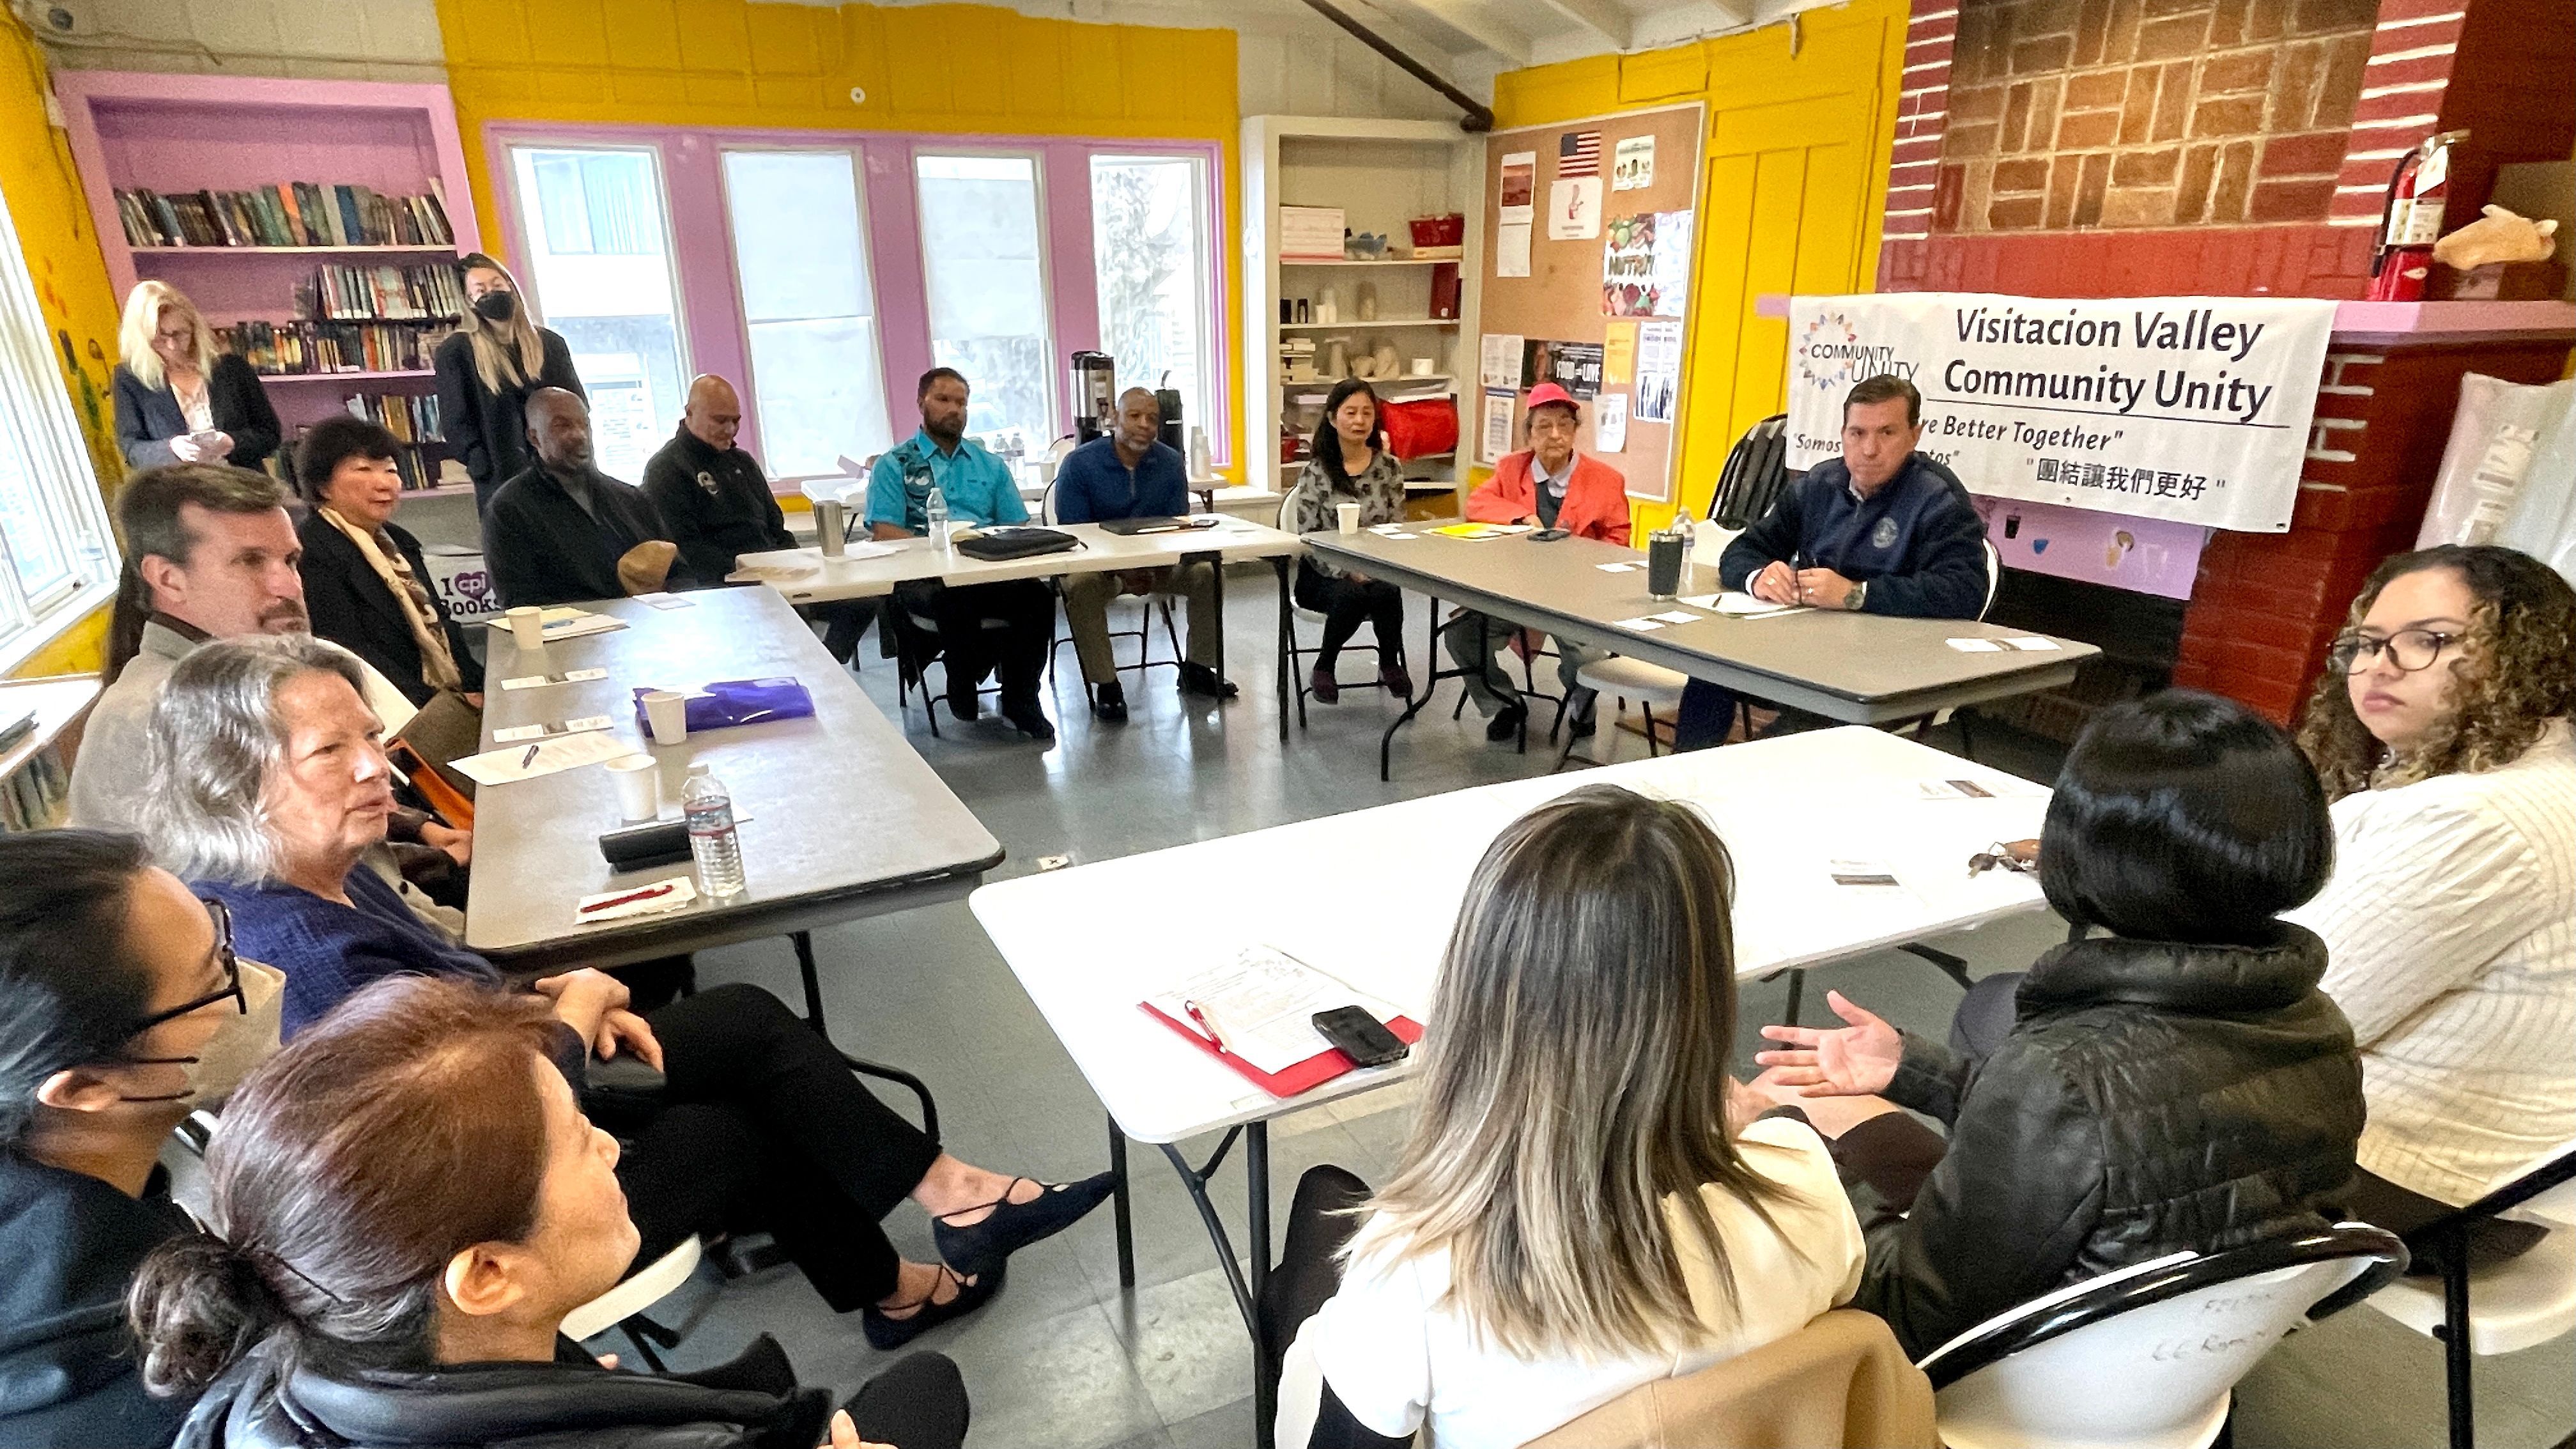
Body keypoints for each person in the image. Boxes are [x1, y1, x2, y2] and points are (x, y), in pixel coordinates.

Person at [136, 636, 1113, 1349]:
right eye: (329, 752)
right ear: (234, 783)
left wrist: (539, 989)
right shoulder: (295, 948)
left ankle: (942, 1219)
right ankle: (923, 1248)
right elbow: (456, 1128)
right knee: (736, 1117)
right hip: (478, 1211)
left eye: (368, 737)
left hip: (513, 1072)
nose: (376, 768)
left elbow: (444, 997)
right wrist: (569, 1007)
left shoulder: (315, 866)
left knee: (741, 1024)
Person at [1753, 690, 2364, 1360]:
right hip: (2184, 1366)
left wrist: (1789, 1163)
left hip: (2025, 1380)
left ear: (2080, 851)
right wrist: (1918, 1069)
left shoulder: (2059, 1071)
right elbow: (2119, 1140)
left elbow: (1910, 1314)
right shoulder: (2319, 1024)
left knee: (1777, 1124)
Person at [128, 974, 974, 1449]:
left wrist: (554, 1393)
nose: (611, 1146)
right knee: (928, 1387)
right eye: (580, 1138)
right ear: (489, 1272)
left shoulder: (284, 1372)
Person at [1269, 786, 1864, 1448]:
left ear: (1479, 999)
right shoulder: (1805, 1181)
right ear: (1705, 995)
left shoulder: (1416, 1270)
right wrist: (1743, 1134)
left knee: (1313, 1228)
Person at [2288, 544, 2576, 1266]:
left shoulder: (2479, 817)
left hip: (2410, 1182)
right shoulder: (2531, 770)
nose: (2380, 664)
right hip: (2488, 1172)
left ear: (2521, 655)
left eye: (2429, 640)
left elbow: (2288, 1014)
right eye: (2368, 642)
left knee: (2034, 1051)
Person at [0, 830, 279, 1448]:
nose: (249, 981)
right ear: (85, 1087)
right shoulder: (171, 1376)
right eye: (214, 980)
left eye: (222, 940)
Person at [70, 465, 464, 888]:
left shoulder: (244, 681)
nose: (289, 586)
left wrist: (420, 830)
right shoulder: (168, 716)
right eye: (251, 561)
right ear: (169, 579)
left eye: (291, 561)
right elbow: (282, 907)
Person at [1673, 374, 1988, 748]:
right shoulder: (1820, 484)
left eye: (1886, 433)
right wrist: (1758, 577)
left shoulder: (1937, 497)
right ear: (1843, 434)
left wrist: (1857, 594)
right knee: (1712, 667)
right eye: (1857, 433)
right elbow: (1742, 551)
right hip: (1809, 647)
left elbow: (1965, 591)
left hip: (1887, 666)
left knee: (1782, 742)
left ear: (1914, 436)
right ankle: (1675, 785)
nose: (1869, 449)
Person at [867, 368, 1055, 741]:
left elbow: (1015, 527)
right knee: (954, 599)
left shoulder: (990, 464)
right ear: (921, 402)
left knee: (1038, 597)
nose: (954, 409)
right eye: (944, 400)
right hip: (926, 577)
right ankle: (962, 681)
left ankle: (1022, 700)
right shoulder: (896, 464)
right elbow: (885, 531)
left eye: (962, 402)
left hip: (986, 568)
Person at [1438, 382, 1626, 743]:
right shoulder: (1512, 468)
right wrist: (1522, 517)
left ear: (1575, 432)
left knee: (1586, 654)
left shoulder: (1606, 480)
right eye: (1544, 426)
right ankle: (1504, 703)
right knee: (1461, 637)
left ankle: (1581, 702)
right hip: (1514, 591)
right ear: (1529, 434)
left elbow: (1619, 542)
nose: (1555, 435)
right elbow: (1477, 505)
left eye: (1564, 425)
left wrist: (1583, 567)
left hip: (1575, 597)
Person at [642, 374, 874, 665]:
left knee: (863, 595)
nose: (730, 430)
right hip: (722, 585)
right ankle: (806, 664)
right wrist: (754, 572)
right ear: (689, 413)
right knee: (785, 617)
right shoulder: (667, 469)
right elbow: (685, 548)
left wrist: (794, 564)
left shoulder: (742, 462)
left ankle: (826, 661)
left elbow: (776, 526)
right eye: (720, 420)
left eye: (735, 421)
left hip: (776, 574)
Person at [1051, 387, 1234, 722]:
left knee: (1209, 572)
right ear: (1114, 420)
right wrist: (1122, 573)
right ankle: (1107, 685)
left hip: (1159, 566)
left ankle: (1196, 668)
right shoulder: (1079, 464)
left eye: (1152, 418)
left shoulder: (1169, 462)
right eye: (1135, 416)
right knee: (1079, 585)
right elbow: (1077, 535)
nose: (1145, 425)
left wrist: (1153, 568)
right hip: (1102, 571)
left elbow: (1178, 526)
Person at [293, 415, 484, 709]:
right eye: (364, 469)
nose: (384, 484)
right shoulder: (312, 550)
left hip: (444, 697)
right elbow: (349, 654)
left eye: (390, 470)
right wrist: (444, 706)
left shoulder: (399, 542)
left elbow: (442, 623)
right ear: (323, 486)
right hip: (387, 708)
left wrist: (481, 685)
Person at [484, 387, 691, 608]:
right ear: (534, 437)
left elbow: (680, 574)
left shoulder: (631, 499)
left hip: (649, 627)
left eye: (584, 424)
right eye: (562, 425)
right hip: (569, 637)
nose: (579, 435)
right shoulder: (509, 510)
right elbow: (520, 604)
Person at [433, 252, 582, 517]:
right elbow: (456, 421)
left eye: (497, 284)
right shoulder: (457, 351)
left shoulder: (550, 344)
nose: (492, 292)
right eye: (481, 289)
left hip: (561, 475)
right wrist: (480, 464)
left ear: (511, 287)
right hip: (500, 481)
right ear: (470, 301)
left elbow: (576, 405)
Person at [1288, 379, 1410, 703]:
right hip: (1322, 573)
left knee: (1387, 590)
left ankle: (1389, 662)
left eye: (1367, 413)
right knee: (1351, 595)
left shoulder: (1389, 467)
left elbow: (1397, 526)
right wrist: (1347, 570)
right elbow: (1309, 536)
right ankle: (1325, 665)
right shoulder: (1317, 471)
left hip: (1376, 566)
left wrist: (1378, 566)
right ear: (1332, 418)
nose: (1359, 421)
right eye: (1351, 412)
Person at [112, 280, 281, 474]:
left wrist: (232, 443)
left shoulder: (231, 368)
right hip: (180, 494)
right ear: (142, 339)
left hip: (244, 488)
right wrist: (171, 449)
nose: (172, 346)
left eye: (179, 334)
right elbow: (132, 449)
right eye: (160, 339)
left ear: (193, 327)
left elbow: (270, 434)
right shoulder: (130, 379)